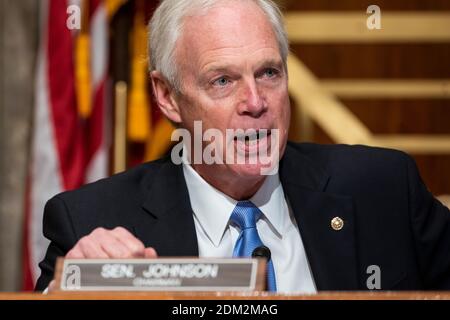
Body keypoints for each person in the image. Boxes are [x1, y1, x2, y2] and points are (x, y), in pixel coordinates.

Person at [35, 0, 450, 292]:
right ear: (166, 96)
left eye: (269, 73)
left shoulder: (383, 190)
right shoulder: (92, 221)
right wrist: (71, 287)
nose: (255, 103)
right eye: (223, 81)